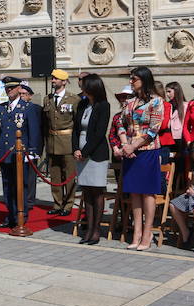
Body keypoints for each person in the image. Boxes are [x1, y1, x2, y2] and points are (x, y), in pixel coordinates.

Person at [115, 66, 164, 251]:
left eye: (134, 79)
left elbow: (154, 128)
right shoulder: (130, 102)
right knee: (134, 191)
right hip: (130, 151)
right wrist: (124, 144)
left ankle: (147, 232)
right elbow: (120, 122)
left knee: (147, 193)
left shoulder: (156, 101)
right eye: (130, 78)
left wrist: (133, 145)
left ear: (144, 80)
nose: (131, 82)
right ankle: (136, 232)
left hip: (147, 150)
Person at [0, 76, 39, 232]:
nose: (9, 91)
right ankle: (11, 214)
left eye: (11, 88)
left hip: (21, 154)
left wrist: (32, 151)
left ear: (19, 89)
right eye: (6, 88)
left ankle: (22, 215)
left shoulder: (27, 107)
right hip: (6, 153)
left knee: (21, 185)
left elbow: (33, 130)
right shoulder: (1, 108)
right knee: (7, 186)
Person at [72, 74, 111, 245]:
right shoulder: (82, 104)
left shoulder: (104, 106)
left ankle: (96, 230)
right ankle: (88, 228)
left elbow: (99, 132)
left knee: (97, 191)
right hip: (81, 151)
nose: (82, 88)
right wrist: (75, 149)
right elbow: (75, 128)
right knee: (86, 191)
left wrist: (85, 151)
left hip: (96, 153)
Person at [43, 69, 81, 217]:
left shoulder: (73, 99)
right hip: (52, 142)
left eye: (56, 79)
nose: (53, 81)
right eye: (52, 78)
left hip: (68, 142)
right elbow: (45, 124)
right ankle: (57, 203)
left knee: (69, 176)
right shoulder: (48, 99)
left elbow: (77, 122)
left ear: (64, 81)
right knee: (55, 176)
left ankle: (69, 204)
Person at [19, 82, 43, 211]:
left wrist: (37, 148)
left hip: (30, 147)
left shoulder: (36, 109)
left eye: (24, 94)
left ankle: (29, 200)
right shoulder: (15, 107)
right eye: (20, 94)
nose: (22, 96)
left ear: (30, 96)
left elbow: (39, 130)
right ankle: (19, 198)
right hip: (17, 146)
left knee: (30, 176)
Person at [154, 81, 175, 165]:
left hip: (163, 141)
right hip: (150, 142)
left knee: (162, 170)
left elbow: (163, 125)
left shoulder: (166, 105)